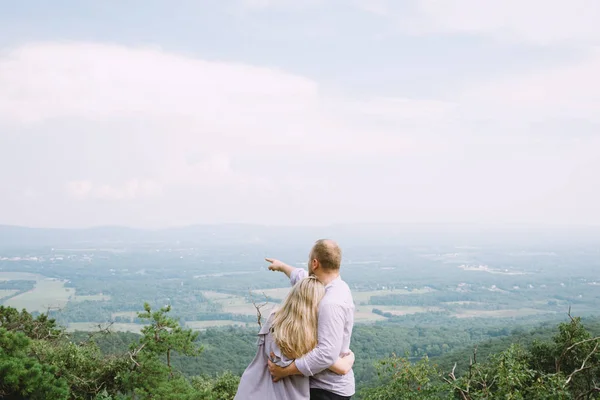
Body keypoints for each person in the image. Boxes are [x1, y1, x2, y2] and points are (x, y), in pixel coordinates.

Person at [234, 275, 355, 400]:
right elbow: (339, 365)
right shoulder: (304, 339)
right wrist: (351, 357)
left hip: (251, 388)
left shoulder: (274, 319)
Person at [266, 239, 356, 400]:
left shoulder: (331, 302)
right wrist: (281, 266)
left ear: (315, 263)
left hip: (328, 390)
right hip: (324, 386)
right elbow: (301, 278)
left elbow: (326, 354)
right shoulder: (330, 287)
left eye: (309, 259)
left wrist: (284, 371)